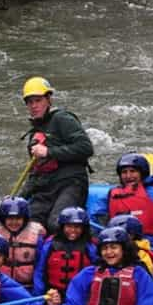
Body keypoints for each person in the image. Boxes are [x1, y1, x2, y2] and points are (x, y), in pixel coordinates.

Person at [19, 76, 94, 234]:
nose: (34, 106)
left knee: (56, 223)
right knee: (26, 225)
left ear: (48, 99)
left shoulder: (63, 119)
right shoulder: (34, 136)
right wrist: (18, 199)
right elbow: (35, 174)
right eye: (30, 102)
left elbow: (86, 148)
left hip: (71, 183)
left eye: (38, 100)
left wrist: (49, 151)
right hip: (46, 188)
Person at [92, 153, 153, 262]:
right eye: (124, 172)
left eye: (133, 171)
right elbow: (96, 220)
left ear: (142, 173)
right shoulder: (111, 194)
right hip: (117, 246)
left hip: (152, 246)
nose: (128, 176)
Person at [31, 206, 99, 305]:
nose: (73, 231)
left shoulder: (90, 247)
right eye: (69, 226)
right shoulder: (50, 244)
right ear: (62, 226)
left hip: (78, 298)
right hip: (53, 295)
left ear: (84, 228)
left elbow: (97, 273)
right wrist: (41, 298)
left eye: (77, 227)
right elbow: (40, 271)